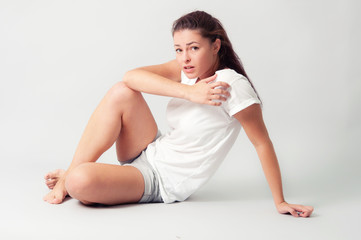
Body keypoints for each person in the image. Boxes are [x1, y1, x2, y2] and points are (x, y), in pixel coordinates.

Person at [43, 10, 313, 217]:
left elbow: (261, 142)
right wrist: (189, 92)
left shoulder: (231, 85)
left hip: (161, 180)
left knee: (82, 182)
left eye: (194, 48)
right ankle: (68, 177)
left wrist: (280, 201)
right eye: (179, 49)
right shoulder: (186, 70)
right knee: (121, 91)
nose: (185, 58)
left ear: (216, 46)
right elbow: (131, 77)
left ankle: (74, 178)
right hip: (150, 150)